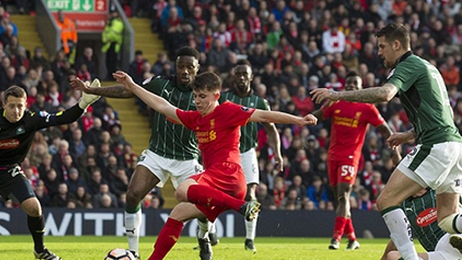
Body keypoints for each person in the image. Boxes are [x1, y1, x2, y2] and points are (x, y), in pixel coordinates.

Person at [112, 70, 317, 260]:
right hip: (217, 185)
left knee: (182, 191)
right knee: (177, 214)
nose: (197, 101)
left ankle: (241, 206)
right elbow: (163, 106)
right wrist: (133, 86)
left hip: (229, 175)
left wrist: (299, 120)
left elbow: (264, 115)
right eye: (195, 96)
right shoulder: (196, 119)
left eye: (203, 96)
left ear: (216, 96)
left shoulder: (228, 111)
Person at [311, 22, 462, 260]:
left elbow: (385, 94)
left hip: (436, 146)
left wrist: (337, 95)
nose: (379, 52)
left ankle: (410, 259)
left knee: (386, 201)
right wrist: (409, 135)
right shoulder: (429, 67)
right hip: (455, 145)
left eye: (382, 46)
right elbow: (444, 116)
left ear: (397, 44)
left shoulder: (407, 65)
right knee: (446, 220)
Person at [70, 47, 217, 260]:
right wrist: (93, 91)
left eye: (189, 67)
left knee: (203, 205)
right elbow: (129, 91)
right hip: (157, 154)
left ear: (197, 69)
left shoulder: (205, 95)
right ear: (175, 67)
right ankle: (133, 252)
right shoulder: (161, 84)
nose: (184, 71)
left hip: (187, 159)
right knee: (132, 195)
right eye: (181, 66)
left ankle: (203, 237)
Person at [0, 81, 101, 260]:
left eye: (20, 106)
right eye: (12, 106)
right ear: (4, 105)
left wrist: (83, 103)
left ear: (26, 105)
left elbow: (63, 118)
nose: (16, 111)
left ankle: (40, 251)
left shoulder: (32, 119)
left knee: (34, 208)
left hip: (8, 169)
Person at [312, 70, 396, 251]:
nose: (351, 87)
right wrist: (301, 119)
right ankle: (352, 238)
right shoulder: (336, 102)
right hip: (332, 156)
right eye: (348, 84)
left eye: (355, 85)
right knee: (340, 198)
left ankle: (336, 238)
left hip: (351, 157)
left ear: (361, 88)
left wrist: (394, 147)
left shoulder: (367, 108)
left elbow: (385, 130)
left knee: (343, 194)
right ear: (344, 86)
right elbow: (319, 115)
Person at [218, 60, 281, 253]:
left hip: (246, 152)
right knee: (212, 192)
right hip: (224, 152)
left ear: (251, 77)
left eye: (245, 74)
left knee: (250, 194)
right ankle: (208, 234)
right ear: (233, 77)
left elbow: (271, 129)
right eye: (238, 74)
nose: (242, 78)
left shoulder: (260, 102)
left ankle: (249, 239)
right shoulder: (223, 98)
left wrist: (277, 153)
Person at [381, 189, 462, 260]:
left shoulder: (441, 189)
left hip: (455, 233)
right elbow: (400, 235)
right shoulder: (404, 206)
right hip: (442, 252)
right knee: (392, 256)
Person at [101, 9, 124, 77]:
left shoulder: (118, 22)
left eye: (112, 13)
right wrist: (105, 39)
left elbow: (113, 33)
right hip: (108, 45)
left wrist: (107, 38)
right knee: (108, 62)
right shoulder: (109, 23)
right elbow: (105, 32)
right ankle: (109, 75)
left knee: (113, 62)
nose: (110, 15)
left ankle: (113, 76)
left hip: (114, 44)